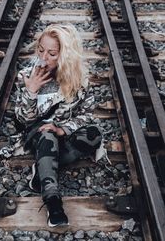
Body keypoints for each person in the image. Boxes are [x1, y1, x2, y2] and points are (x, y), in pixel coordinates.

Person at [14, 24, 103, 227]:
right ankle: (53, 201)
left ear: (64, 55)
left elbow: (87, 115)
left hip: (61, 133)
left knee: (94, 134)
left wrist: (63, 129)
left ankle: (43, 166)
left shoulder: (78, 79)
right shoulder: (27, 75)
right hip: (36, 134)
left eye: (52, 53)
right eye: (41, 50)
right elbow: (21, 121)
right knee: (47, 135)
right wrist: (32, 91)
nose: (44, 57)